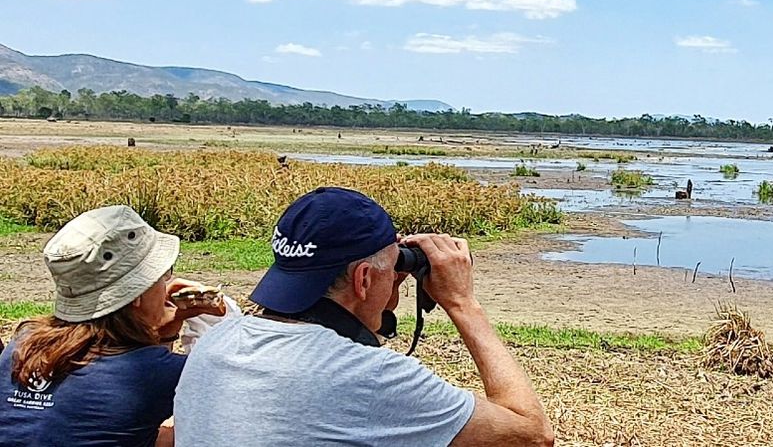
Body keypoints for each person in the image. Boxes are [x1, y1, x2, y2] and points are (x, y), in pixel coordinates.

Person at [173, 187, 554, 447]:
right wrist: (462, 303)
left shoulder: (217, 340)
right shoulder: (369, 376)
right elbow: (532, 435)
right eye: (392, 268)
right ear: (364, 278)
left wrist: (380, 297)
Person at [0, 205, 229, 447]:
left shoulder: (23, 345)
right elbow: (204, 432)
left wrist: (166, 331)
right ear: (137, 294)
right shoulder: (152, 371)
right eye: (164, 275)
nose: (167, 283)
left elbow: (127, 430)